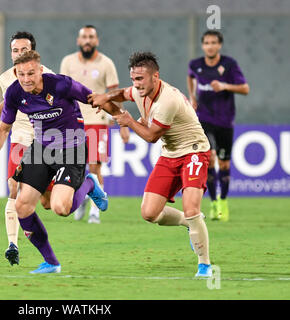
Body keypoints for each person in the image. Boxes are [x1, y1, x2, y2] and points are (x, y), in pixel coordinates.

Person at [0, 50, 108, 274]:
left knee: (60, 208)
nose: (26, 79)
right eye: (21, 74)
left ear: (40, 70)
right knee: (23, 206)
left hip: (72, 146)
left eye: (31, 73)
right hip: (41, 149)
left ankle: (89, 184)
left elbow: (94, 99)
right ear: (16, 73)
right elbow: (4, 129)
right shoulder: (14, 92)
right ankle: (51, 263)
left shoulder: (61, 85)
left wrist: (122, 116)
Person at [89, 51, 213, 277]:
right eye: (134, 79)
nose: (136, 85)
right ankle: (190, 224)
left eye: (140, 79)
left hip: (195, 151)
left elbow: (151, 136)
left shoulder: (169, 100)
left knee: (192, 208)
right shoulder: (137, 90)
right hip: (171, 154)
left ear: (155, 77)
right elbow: (122, 93)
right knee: (149, 213)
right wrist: (105, 97)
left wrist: (127, 122)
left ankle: (204, 264)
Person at [0, 31, 54, 266]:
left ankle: (86, 183)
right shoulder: (5, 78)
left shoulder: (47, 76)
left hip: (44, 139)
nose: (19, 54)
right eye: (15, 50)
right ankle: (12, 245)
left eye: (24, 50)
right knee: (13, 186)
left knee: (48, 203)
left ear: (34, 53)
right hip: (19, 137)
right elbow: (8, 102)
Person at [60, 25, 130, 224]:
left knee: (95, 165)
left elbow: (116, 95)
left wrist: (122, 124)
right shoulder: (68, 62)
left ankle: (94, 210)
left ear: (97, 40)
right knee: (76, 165)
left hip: (98, 120)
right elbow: (62, 92)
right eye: (84, 37)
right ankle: (83, 196)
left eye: (91, 37)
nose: (87, 40)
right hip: (72, 121)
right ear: (78, 41)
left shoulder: (106, 63)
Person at [187, 30, 249, 222]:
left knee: (224, 163)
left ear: (219, 45)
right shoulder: (195, 65)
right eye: (206, 42)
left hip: (225, 121)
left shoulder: (229, 65)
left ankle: (223, 200)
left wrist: (225, 86)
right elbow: (190, 76)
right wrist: (192, 95)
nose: (210, 46)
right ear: (203, 45)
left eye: (213, 42)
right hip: (204, 120)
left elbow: (245, 88)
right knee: (210, 158)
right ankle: (213, 203)